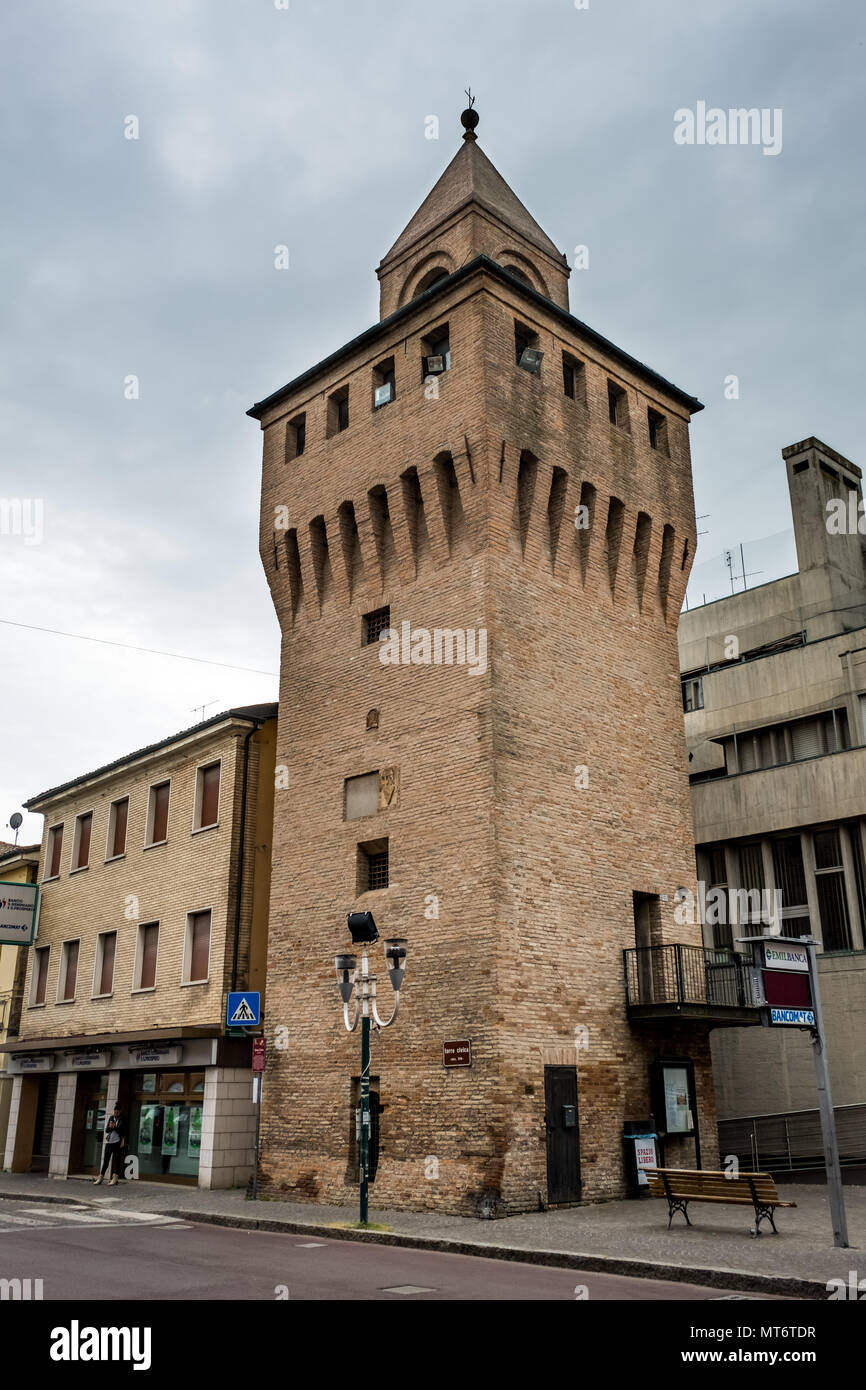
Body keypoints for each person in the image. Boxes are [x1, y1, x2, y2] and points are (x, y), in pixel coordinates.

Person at [93, 1104, 125, 1185]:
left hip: (117, 1142)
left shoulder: (123, 1119)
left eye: (117, 1112)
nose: (115, 1113)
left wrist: (114, 1127)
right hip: (109, 1142)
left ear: (120, 1112)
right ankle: (101, 1177)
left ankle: (115, 1178)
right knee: (106, 1160)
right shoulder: (111, 1118)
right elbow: (107, 1130)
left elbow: (122, 1131)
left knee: (117, 1161)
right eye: (114, 1112)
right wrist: (111, 1127)